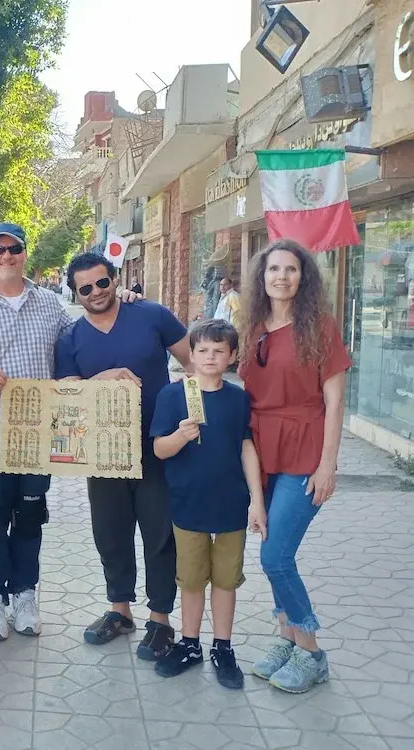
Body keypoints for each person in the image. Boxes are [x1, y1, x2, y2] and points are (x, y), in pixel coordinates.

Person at [0, 223, 139, 641]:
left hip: (38, 434)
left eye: (14, 248)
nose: (6, 255)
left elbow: (79, 343)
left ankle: (24, 594)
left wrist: (122, 302)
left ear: (24, 253)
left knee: (30, 517)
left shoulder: (48, 304)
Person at [54, 248, 192, 662]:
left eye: (102, 282)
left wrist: (193, 415)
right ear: (75, 293)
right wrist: (104, 378)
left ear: (115, 279)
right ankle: (120, 610)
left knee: (160, 534)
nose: (96, 292)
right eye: (85, 288)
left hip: (158, 446)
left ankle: (160, 619)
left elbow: (195, 361)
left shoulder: (152, 315)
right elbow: (67, 394)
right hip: (105, 452)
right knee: (110, 533)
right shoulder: (71, 339)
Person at [239, 239, 350, 694]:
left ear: (304, 277)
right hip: (263, 451)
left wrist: (328, 465)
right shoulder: (251, 327)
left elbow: (335, 401)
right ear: (261, 277)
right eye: (273, 269)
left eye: (290, 269)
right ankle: (286, 638)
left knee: (275, 556)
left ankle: (311, 651)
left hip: (305, 450)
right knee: (272, 551)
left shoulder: (319, 327)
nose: (281, 277)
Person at [150, 319, 266, 689]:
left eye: (219, 351)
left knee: (226, 579)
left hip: (231, 504)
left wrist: (257, 501)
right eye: (202, 350)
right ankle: (189, 643)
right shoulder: (173, 396)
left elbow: (247, 447)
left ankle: (223, 647)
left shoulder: (238, 399)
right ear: (191, 354)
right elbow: (159, 449)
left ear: (232, 356)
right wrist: (180, 436)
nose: (210, 357)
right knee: (191, 579)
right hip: (188, 503)